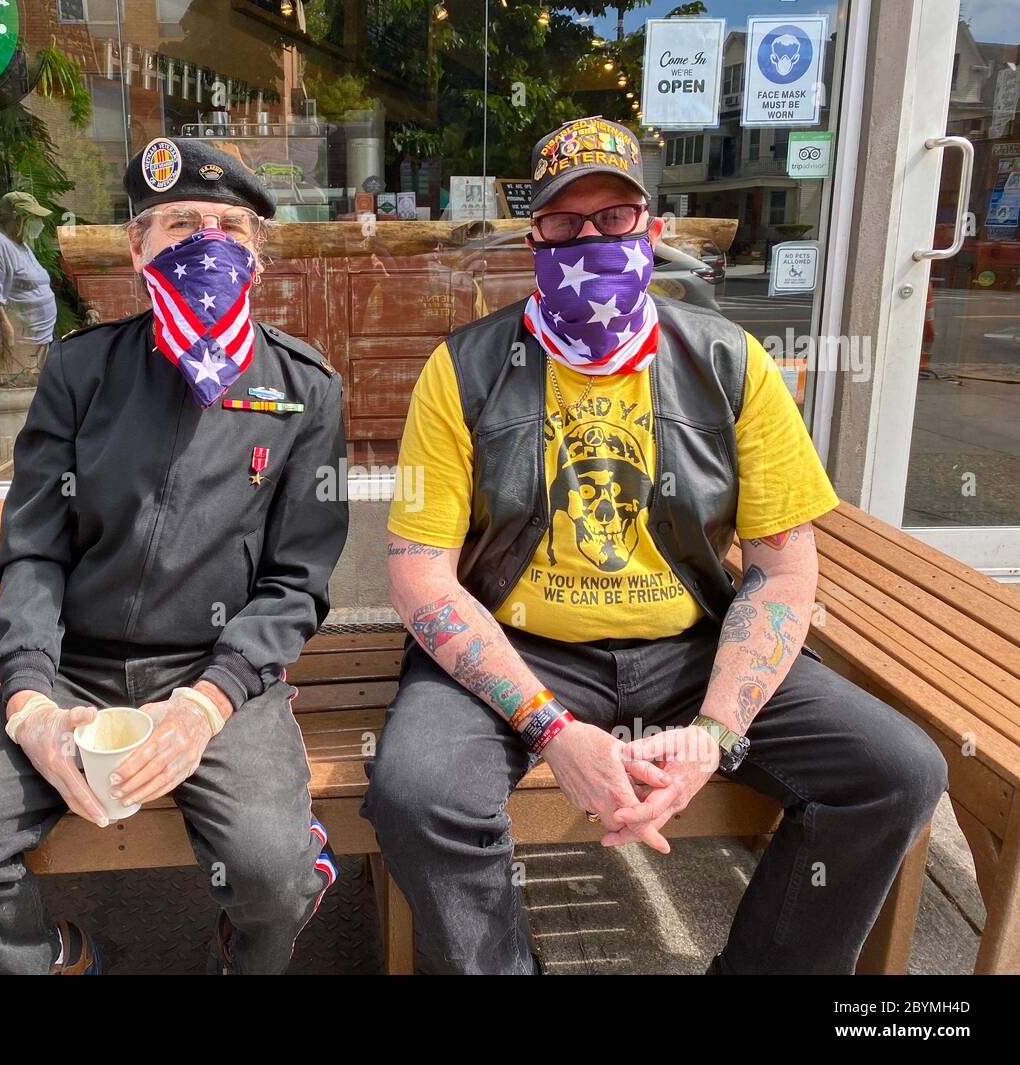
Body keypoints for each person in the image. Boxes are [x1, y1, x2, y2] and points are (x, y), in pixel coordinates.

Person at [362, 116, 948, 975]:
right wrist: (554, 730)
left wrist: (715, 730)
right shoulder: (464, 368)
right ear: (535, 237)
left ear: (655, 231)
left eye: (614, 219)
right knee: (416, 795)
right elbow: (420, 577)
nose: (588, 239)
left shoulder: (731, 361)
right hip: (523, 650)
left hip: (689, 649)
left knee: (897, 771)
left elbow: (785, 572)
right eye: (564, 223)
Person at [0, 138, 350, 974]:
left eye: (229, 226)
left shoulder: (303, 387)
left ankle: (238, 952)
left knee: (276, 876)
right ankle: (61, 958)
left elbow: (296, 582)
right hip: (72, 668)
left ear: (257, 252)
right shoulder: (79, 371)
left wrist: (209, 702)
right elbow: (32, 551)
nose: (206, 241)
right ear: (137, 245)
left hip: (219, 676)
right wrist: (28, 699)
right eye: (180, 223)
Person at [0, 191, 58, 381]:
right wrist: (8, 339)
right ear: (17, 218)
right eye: (34, 217)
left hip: (37, 339)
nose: (39, 223)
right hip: (19, 344)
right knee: (18, 393)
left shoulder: (21, 244)